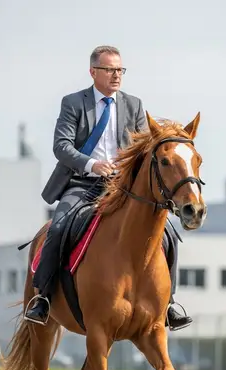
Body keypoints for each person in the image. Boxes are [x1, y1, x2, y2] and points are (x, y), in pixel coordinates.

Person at [25, 45, 192, 331]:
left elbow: (144, 149)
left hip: (122, 188)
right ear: (93, 72)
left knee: (169, 235)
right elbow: (61, 147)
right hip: (82, 183)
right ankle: (43, 298)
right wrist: (92, 164)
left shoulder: (134, 104)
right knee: (57, 227)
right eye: (110, 70)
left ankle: (170, 304)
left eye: (120, 70)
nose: (116, 75)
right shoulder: (73, 103)